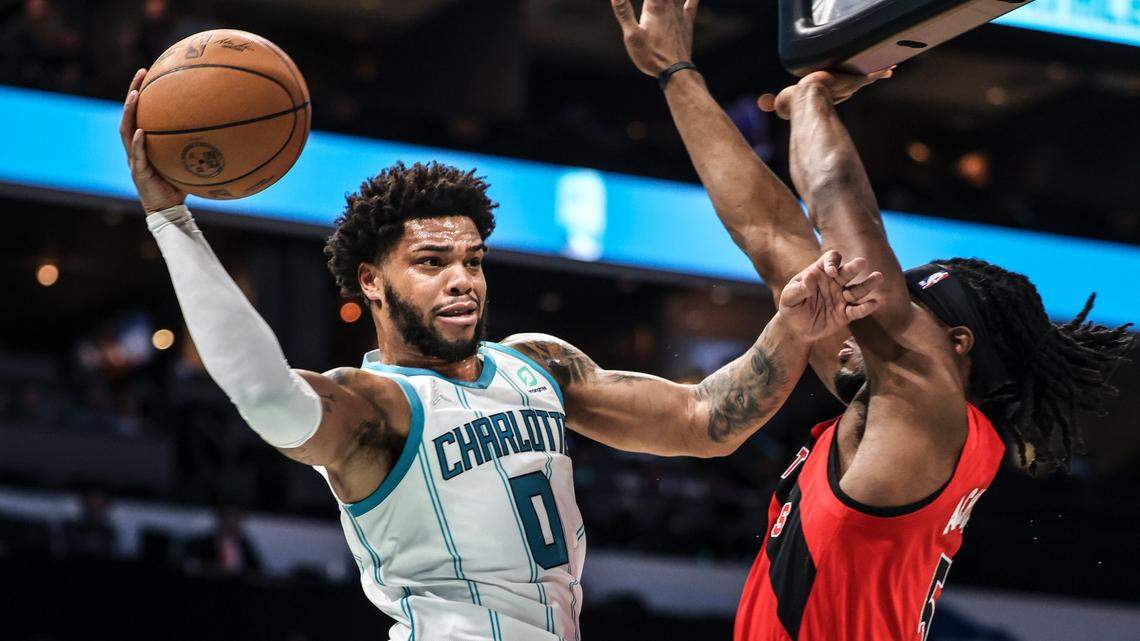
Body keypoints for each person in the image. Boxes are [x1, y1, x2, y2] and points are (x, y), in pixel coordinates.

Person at [118, 64, 884, 639]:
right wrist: (172, 222)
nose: (461, 281)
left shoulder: (538, 364)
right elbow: (262, 391)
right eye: (431, 263)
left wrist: (791, 325)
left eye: (473, 260)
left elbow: (704, 419)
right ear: (370, 282)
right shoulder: (373, 407)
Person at [610, 1, 1136, 640]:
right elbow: (770, 232)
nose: (861, 316)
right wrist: (676, 71)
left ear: (955, 343)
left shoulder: (927, 404)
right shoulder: (894, 411)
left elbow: (839, 207)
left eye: (899, 307)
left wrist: (814, 100)